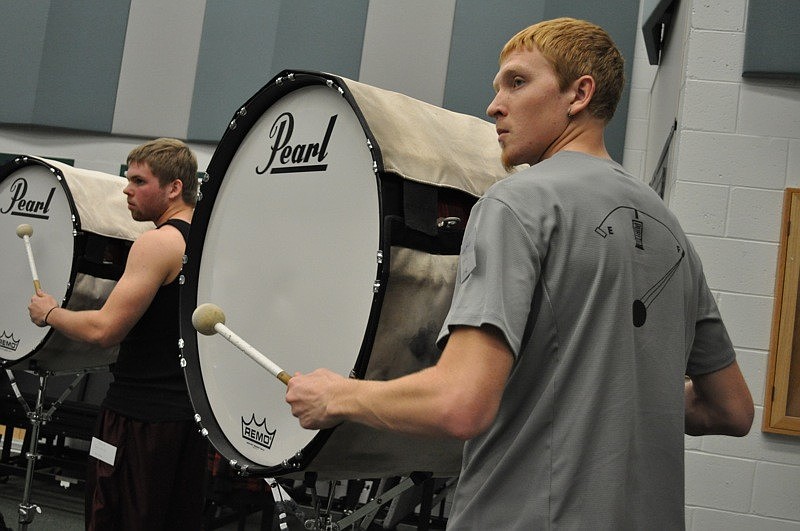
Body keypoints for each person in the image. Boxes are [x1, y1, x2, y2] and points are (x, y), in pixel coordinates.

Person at [285, 17, 754, 529]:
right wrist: (626, 389)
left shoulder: (517, 202)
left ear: (579, 94)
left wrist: (338, 394)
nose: (494, 106)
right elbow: (732, 411)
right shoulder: (672, 232)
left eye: (517, 81)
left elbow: (460, 404)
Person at [28, 138, 207, 530]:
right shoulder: (209, 240)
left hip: (138, 417)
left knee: (113, 519)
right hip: (190, 419)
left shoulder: (158, 242)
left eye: (139, 181)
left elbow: (105, 329)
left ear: (175, 187)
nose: (126, 189)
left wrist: (50, 313)